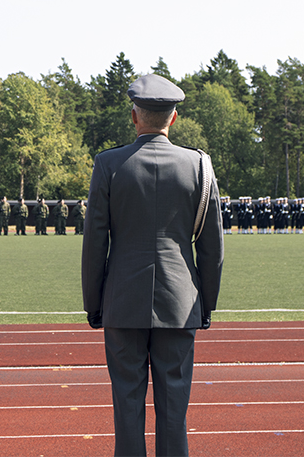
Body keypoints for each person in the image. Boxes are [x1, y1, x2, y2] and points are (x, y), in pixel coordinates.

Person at [82, 73, 224, 457]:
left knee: (127, 407)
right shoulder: (198, 166)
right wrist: (206, 304)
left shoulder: (109, 164)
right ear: (173, 118)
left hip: (123, 299)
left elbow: (96, 242)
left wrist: (94, 303)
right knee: (174, 410)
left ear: (134, 116)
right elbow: (212, 248)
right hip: (181, 302)